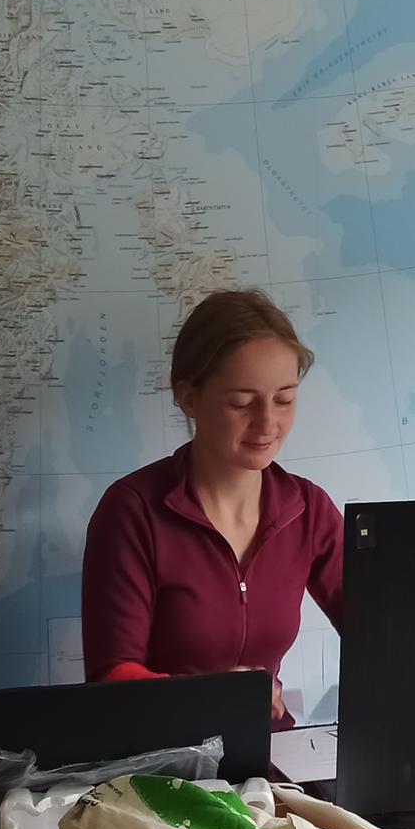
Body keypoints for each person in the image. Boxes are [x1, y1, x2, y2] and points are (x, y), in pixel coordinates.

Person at [80, 290, 342, 725]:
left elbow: (382, 633)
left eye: (284, 399)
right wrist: (215, 696)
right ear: (188, 396)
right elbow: (111, 675)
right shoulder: (132, 511)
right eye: (241, 402)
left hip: (268, 753)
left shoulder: (308, 508)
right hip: (160, 758)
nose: (267, 424)